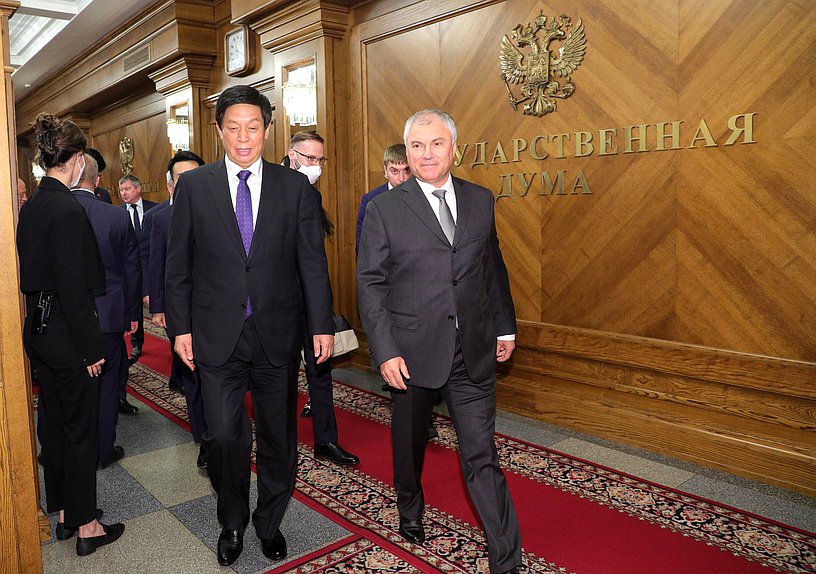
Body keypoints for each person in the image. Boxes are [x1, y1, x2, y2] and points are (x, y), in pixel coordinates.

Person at [165, 85, 334, 567]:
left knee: (279, 436)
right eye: (233, 127)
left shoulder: (294, 187)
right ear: (218, 131)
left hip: (276, 332)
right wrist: (180, 327)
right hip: (215, 333)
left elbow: (312, 263)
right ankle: (232, 517)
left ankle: (269, 521)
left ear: (267, 130)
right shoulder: (194, 188)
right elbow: (178, 264)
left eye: (253, 127)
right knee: (221, 435)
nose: (244, 137)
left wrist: (319, 324)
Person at [356, 109, 522, 574]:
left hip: (472, 351)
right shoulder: (386, 208)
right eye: (417, 146)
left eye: (436, 144)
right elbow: (370, 284)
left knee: (481, 454)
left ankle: (506, 561)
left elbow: (493, 268)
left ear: (454, 148)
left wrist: (504, 326)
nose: (427, 154)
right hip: (410, 355)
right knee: (408, 446)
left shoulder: (480, 200)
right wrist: (385, 350)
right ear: (406, 152)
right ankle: (409, 505)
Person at [17, 113, 125, 556]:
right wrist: (92, 349)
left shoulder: (33, 205)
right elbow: (75, 289)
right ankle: (86, 527)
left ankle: (62, 511)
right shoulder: (68, 208)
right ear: (77, 159)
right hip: (67, 332)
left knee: (56, 427)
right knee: (81, 432)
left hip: (38, 331)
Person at [286, 130, 359, 467]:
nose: (315, 165)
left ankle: (326, 439)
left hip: (308, 300)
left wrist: (322, 309)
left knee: (320, 368)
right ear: (292, 155)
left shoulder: (311, 196)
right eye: (309, 158)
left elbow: (315, 260)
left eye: (320, 160)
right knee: (279, 373)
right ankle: (279, 440)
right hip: (276, 303)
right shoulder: (270, 188)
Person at [71, 154, 140, 470]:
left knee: (69, 385)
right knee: (108, 383)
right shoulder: (115, 216)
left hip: (66, 317)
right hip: (109, 316)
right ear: (97, 181)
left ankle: (70, 450)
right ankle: (102, 449)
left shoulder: (49, 211)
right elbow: (130, 270)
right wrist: (131, 313)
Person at [147, 150, 208, 469]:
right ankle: (205, 438)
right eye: (183, 178)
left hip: (217, 308)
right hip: (181, 309)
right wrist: (158, 305)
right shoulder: (158, 218)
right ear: (171, 186)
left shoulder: (217, 208)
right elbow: (155, 263)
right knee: (194, 375)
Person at [118, 173, 157, 412]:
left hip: (152, 264)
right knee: (134, 307)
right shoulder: (118, 214)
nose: (124, 193)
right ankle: (136, 342)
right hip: (130, 269)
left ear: (138, 189)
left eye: (128, 189)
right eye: (121, 190)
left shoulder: (154, 210)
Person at [355, 143, 411, 254]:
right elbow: (362, 246)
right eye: (394, 171)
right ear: (385, 170)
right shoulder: (371, 200)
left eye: (407, 170)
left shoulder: (425, 196)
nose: (402, 178)